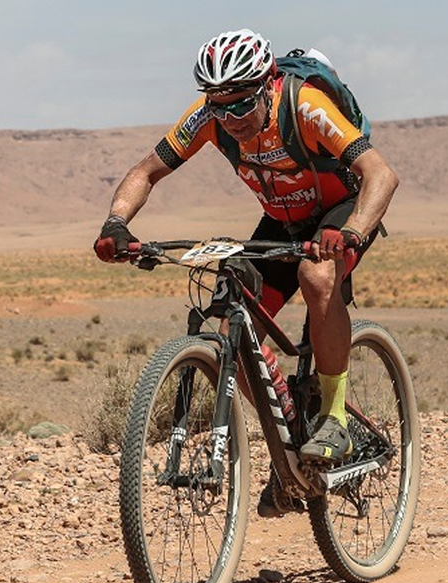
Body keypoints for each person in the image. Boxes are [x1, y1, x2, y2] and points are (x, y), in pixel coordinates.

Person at [93, 28, 399, 517]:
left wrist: (355, 231)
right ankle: (290, 453)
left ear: (266, 85)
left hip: (341, 211)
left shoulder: (305, 106)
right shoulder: (209, 118)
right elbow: (146, 170)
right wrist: (116, 223)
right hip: (281, 222)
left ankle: (335, 415)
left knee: (317, 277)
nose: (230, 119)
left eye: (240, 105)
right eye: (219, 106)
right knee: (235, 327)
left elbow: (381, 174)